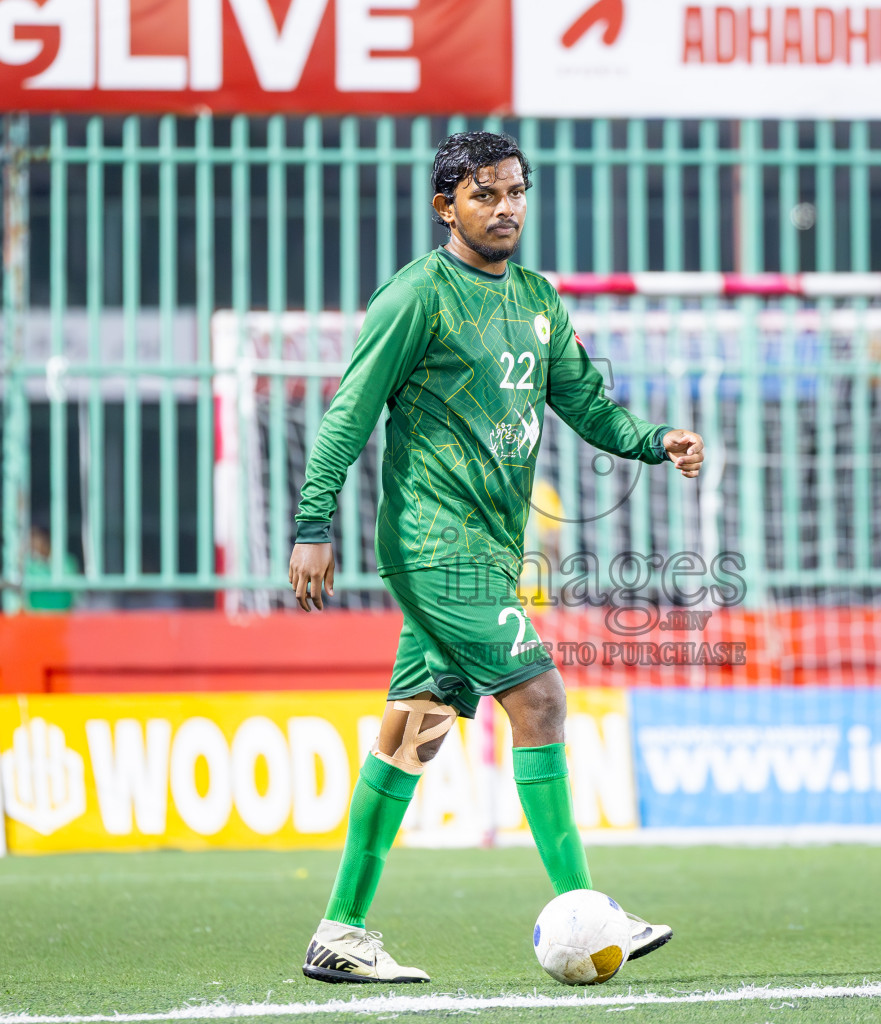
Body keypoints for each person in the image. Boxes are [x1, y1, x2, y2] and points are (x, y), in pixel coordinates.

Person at [287, 132, 704, 983]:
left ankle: (341, 931)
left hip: (488, 549)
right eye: (486, 195)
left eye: (516, 191)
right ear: (448, 207)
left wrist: (656, 441)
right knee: (542, 699)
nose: (506, 207)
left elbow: (590, 407)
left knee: (414, 732)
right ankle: (587, 909)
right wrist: (312, 523)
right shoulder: (417, 296)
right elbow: (349, 412)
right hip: (433, 546)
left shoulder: (539, 300)